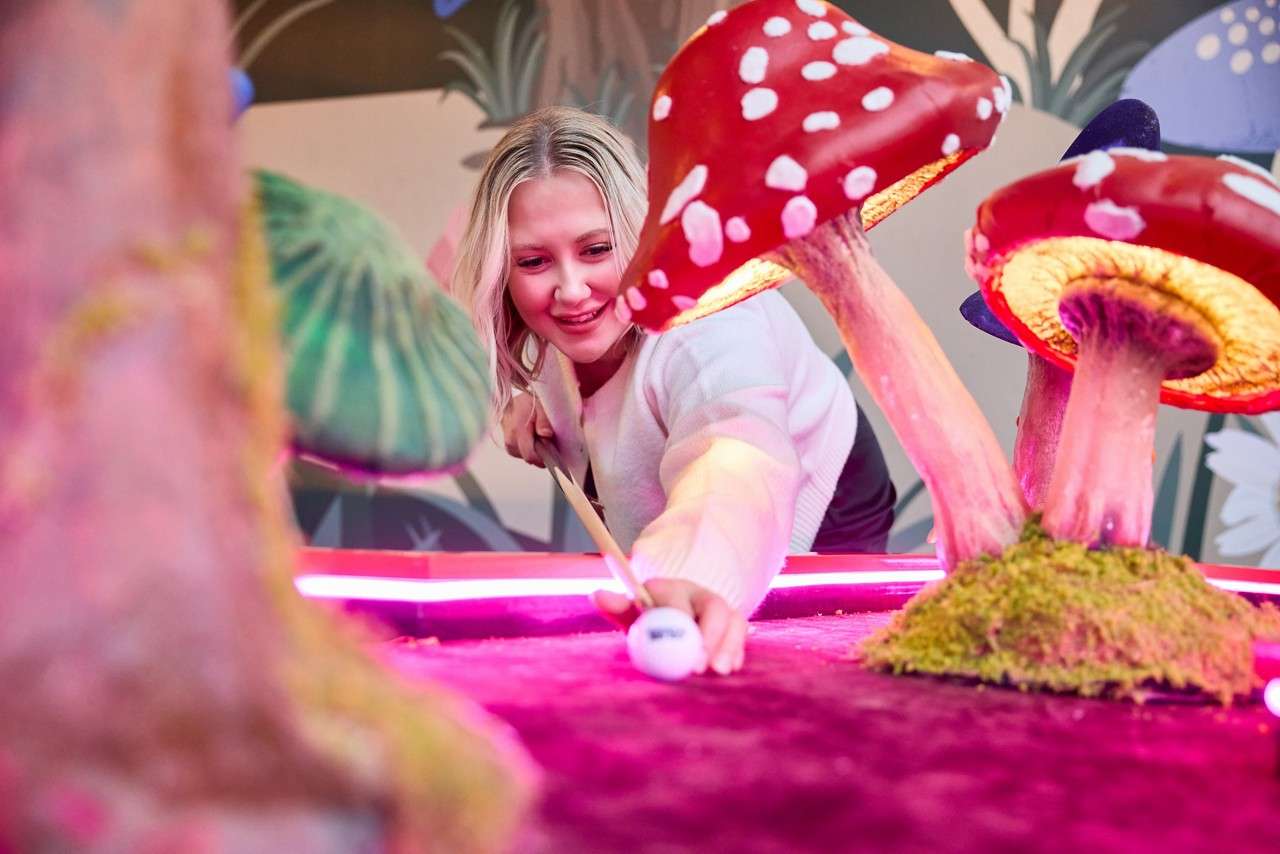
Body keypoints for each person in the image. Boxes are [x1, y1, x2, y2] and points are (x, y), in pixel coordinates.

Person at [452, 106, 895, 675]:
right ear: (503, 275)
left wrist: (694, 572)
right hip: (692, 509)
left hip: (825, 484)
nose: (570, 289)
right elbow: (597, 409)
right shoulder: (556, 327)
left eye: (596, 249)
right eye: (534, 261)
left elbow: (735, 455)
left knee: (805, 665)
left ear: (641, 237)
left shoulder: (712, 326)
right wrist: (530, 407)